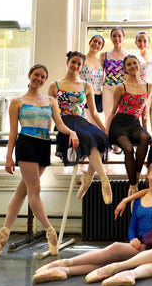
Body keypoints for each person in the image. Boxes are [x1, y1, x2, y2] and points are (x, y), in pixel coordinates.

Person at [31, 161, 152, 283]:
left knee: (114, 248)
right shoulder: (138, 200)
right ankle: (65, 271)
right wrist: (132, 238)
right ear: (148, 175)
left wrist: (148, 246)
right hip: (137, 243)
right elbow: (132, 226)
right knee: (108, 260)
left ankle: (64, 263)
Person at [0, 64, 80, 257]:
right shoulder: (17, 102)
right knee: (35, 190)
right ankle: (51, 231)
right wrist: (8, 156)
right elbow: (13, 132)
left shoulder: (50, 101)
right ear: (29, 76)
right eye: (36, 75)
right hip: (26, 144)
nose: (39, 79)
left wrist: (72, 132)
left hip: (43, 145)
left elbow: (59, 124)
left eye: (43, 76)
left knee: (23, 190)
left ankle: (4, 232)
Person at [48, 51, 112, 204]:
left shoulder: (87, 86)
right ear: (67, 63)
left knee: (101, 138)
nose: (75, 66)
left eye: (79, 64)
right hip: (64, 123)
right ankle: (104, 180)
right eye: (73, 62)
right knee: (89, 138)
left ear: (82, 67)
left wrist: (105, 130)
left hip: (81, 121)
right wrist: (48, 132)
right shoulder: (54, 85)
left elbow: (95, 113)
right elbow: (50, 112)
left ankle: (88, 178)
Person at [106, 55, 152, 196]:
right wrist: (107, 133)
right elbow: (113, 111)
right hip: (119, 124)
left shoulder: (148, 86)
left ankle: (136, 176)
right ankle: (133, 186)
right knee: (128, 148)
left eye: (134, 63)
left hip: (134, 123)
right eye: (129, 64)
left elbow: (144, 112)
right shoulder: (121, 87)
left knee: (145, 137)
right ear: (125, 69)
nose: (132, 66)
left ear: (139, 65)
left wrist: (146, 128)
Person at [100, 27, 129, 124]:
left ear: (124, 38)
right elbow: (100, 74)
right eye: (114, 36)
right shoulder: (104, 55)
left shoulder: (128, 56)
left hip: (122, 89)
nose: (117, 38)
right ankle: (107, 137)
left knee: (121, 116)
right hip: (108, 89)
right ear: (111, 38)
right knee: (108, 115)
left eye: (119, 36)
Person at [81, 34, 105, 126]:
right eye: (94, 41)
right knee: (87, 126)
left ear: (101, 48)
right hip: (85, 95)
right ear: (90, 42)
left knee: (97, 126)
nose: (96, 44)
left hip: (98, 97)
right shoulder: (82, 59)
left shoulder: (101, 62)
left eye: (99, 43)